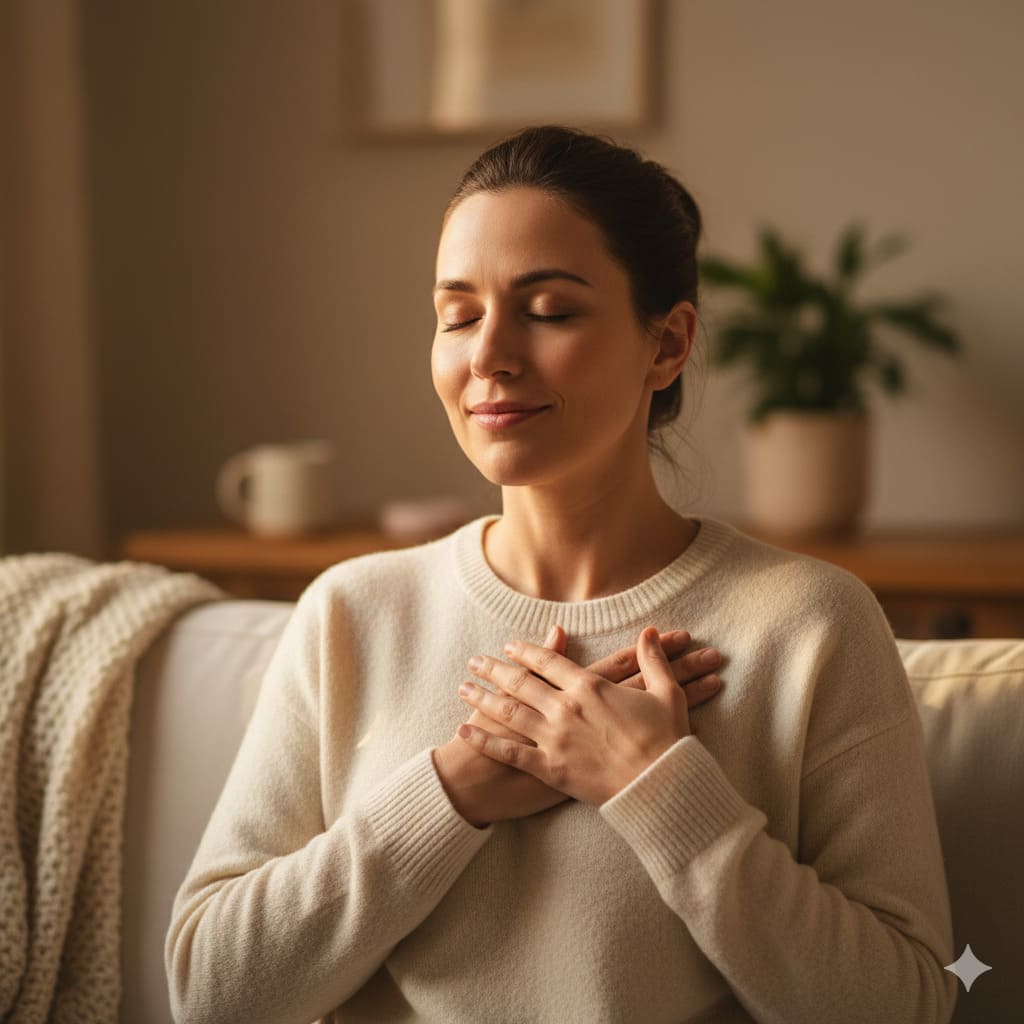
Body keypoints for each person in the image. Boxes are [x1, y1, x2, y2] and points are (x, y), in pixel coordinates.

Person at [166, 126, 957, 1024]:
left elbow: (910, 1001)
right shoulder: (352, 613)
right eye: (458, 315)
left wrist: (656, 789)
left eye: (548, 310)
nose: (488, 355)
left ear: (666, 345)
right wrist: (455, 791)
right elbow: (210, 991)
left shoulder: (810, 624)